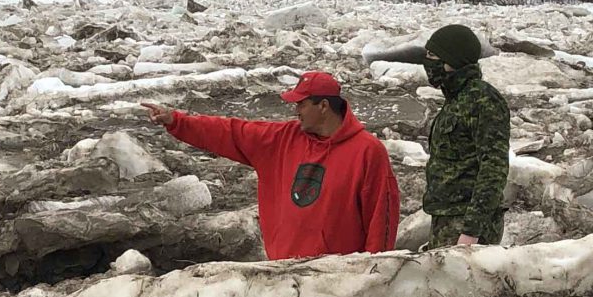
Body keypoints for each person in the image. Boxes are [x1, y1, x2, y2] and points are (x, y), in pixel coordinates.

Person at [142, 71, 400, 260]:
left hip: (337, 279)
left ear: (323, 106)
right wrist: (177, 121)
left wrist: (374, 274)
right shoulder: (281, 139)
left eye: (301, 103)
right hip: (284, 271)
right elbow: (230, 132)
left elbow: (381, 219)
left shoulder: (367, 151)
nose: (295, 110)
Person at [421, 24, 510, 248]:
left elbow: (494, 167)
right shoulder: (457, 98)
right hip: (448, 217)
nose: (427, 61)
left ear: (452, 59)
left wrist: (471, 231)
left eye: (432, 55)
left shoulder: (482, 99)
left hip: (465, 224)